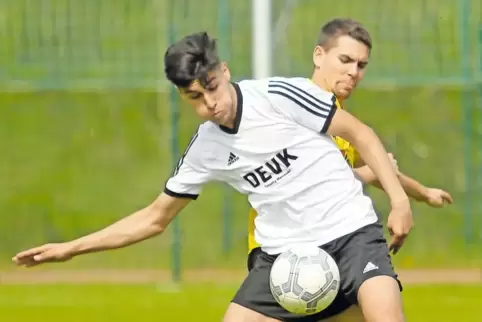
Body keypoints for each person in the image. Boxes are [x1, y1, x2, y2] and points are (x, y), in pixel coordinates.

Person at [13, 31, 413, 322]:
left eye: (213, 87)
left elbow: (360, 133)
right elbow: (155, 218)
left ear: (224, 71)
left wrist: (399, 201)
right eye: (194, 98)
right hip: (283, 257)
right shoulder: (206, 149)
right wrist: (71, 248)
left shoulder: (279, 95)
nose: (210, 104)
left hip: (352, 235)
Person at [247, 15, 453, 282]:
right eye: (345, 60)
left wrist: (424, 193)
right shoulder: (292, 108)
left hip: (324, 246)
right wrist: (366, 174)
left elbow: (378, 170)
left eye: (361, 65)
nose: (354, 72)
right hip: (279, 251)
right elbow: (300, 180)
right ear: (318, 56)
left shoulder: (340, 121)